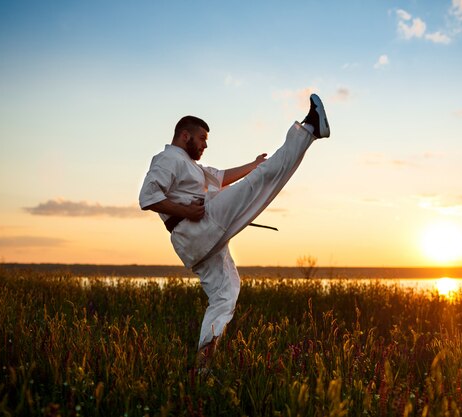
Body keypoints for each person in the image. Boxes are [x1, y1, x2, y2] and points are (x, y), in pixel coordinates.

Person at [139, 94, 330, 368]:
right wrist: (187, 212)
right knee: (260, 182)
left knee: (225, 293)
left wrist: (252, 165)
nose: (205, 144)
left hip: (195, 240)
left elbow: (219, 177)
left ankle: (203, 363)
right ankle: (310, 127)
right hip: (199, 224)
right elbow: (147, 197)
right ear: (185, 136)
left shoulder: (188, 165)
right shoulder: (168, 159)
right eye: (202, 138)